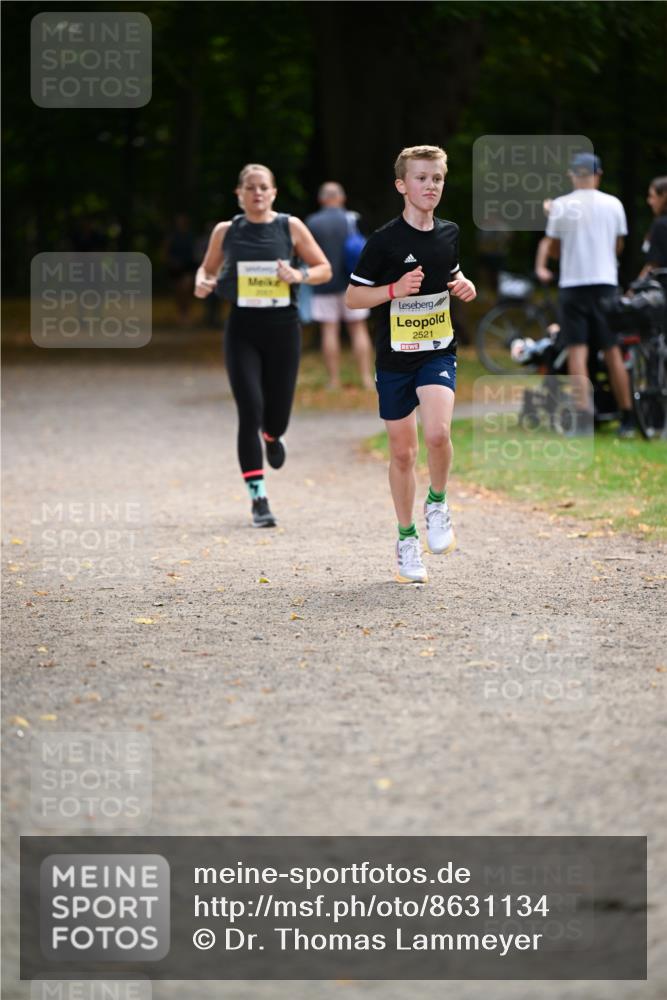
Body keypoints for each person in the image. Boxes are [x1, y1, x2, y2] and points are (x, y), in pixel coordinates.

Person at [345, 145, 476, 584]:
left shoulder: (449, 232)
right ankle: (406, 538)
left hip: (438, 349)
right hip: (395, 357)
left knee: (438, 433)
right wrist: (394, 289)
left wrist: (463, 284)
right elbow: (353, 297)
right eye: (421, 178)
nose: (430, 186)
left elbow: (451, 273)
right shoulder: (383, 242)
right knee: (403, 453)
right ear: (402, 185)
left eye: (436, 178)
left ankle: (437, 502)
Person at [194, 164, 331, 528]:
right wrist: (202, 283)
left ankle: (273, 437)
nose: (257, 194)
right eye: (250, 188)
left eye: (263, 188)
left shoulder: (290, 227)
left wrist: (298, 275)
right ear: (238, 194)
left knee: (277, 415)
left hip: (283, 328)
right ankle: (259, 499)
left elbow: (324, 269)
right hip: (242, 329)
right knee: (249, 409)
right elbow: (207, 270)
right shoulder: (227, 231)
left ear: (274, 193)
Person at [536, 152, 635, 438]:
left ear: (572, 175)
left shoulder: (561, 206)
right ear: (598, 174)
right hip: (605, 283)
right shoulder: (614, 204)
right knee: (612, 349)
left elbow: (553, 248)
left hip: (573, 285)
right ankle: (627, 417)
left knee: (577, 352)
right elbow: (618, 245)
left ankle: (583, 417)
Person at [306, 182, 374, 390]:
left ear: (321, 199)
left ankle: (333, 380)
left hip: (323, 284)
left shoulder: (312, 222)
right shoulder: (351, 219)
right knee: (358, 329)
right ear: (341, 198)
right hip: (353, 284)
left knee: (329, 331)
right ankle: (366, 378)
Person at [164, 213, 198, 327]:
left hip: (188, 267)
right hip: (175, 268)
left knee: (186, 290)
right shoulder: (172, 236)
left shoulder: (190, 236)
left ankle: (186, 314)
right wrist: (171, 261)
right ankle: (181, 313)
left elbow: (194, 252)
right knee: (178, 292)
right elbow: (166, 251)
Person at [638, 176, 667, 277]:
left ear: (663, 196)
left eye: (652, 196)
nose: (649, 201)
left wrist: (633, 290)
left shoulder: (660, 225)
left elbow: (652, 265)